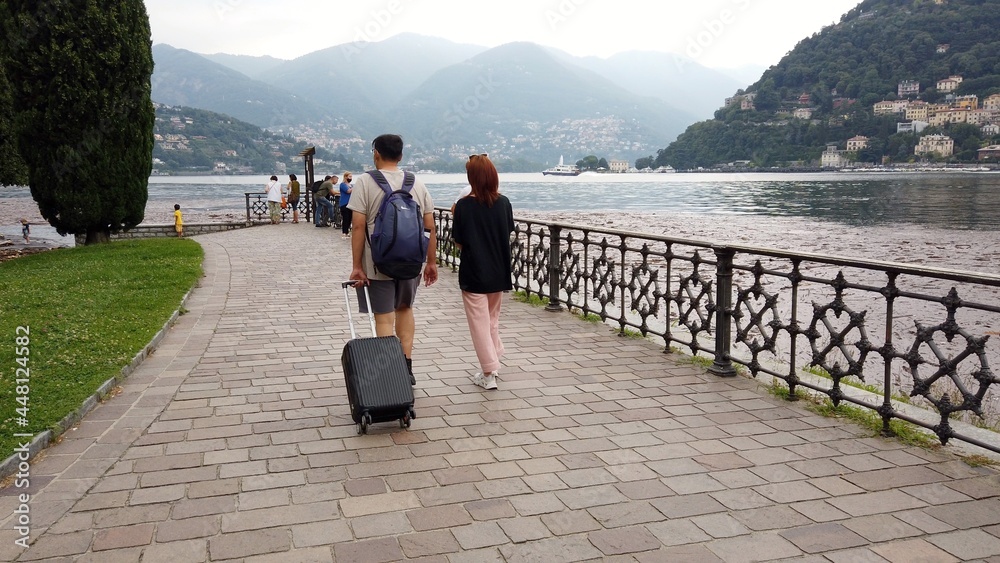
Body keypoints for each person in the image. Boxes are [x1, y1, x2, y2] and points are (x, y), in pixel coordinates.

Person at [348, 134, 438, 385]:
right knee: (405, 309)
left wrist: (357, 266)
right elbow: (430, 226)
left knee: (384, 317)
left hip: (378, 263)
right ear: (400, 155)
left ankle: (391, 376)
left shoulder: (365, 182)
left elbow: (358, 226)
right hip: (411, 262)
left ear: (376, 153)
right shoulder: (416, 183)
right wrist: (431, 262)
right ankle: (407, 368)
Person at [452, 154, 514, 390]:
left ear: (472, 178)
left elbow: (459, 241)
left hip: (474, 271)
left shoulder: (463, 206)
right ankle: (493, 360)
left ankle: (489, 373)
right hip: (499, 270)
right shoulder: (504, 202)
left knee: (479, 323)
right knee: (491, 320)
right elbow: (507, 231)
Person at [339, 172, 354, 239]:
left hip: (350, 203)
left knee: (350, 218)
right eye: (349, 176)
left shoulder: (351, 185)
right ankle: (344, 232)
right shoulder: (343, 184)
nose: (350, 178)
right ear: (345, 177)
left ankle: (347, 231)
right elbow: (348, 191)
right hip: (344, 203)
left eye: (351, 177)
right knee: (345, 218)